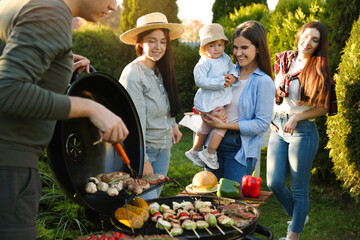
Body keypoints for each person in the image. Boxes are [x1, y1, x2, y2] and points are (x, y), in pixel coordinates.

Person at [0, 0, 129, 239]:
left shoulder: (30, 4)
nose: (113, 6)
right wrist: (91, 108)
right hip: (9, 171)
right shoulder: (50, 12)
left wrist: (56, 65)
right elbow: (8, 91)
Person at [266, 21, 337, 240]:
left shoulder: (319, 68)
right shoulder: (285, 59)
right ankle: (299, 215)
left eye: (314, 40)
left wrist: (297, 116)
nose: (308, 42)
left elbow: (324, 107)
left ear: (319, 44)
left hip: (302, 131)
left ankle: (292, 236)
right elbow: (276, 92)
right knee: (274, 183)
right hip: (278, 126)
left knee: (299, 188)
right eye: (306, 36)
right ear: (300, 35)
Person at [119, 12, 185, 199]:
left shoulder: (160, 68)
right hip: (143, 151)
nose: (159, 47)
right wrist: (143, 161)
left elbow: (166, 99)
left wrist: (173, 123)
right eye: (152, 41)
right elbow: (133, 122)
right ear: (140, 43)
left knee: (154, 201)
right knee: (145, 203)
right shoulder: (133, 74)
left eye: (163, 41)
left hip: (164, 147)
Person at [201, 20, 275, 184]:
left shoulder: (264, 82)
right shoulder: (227, 72)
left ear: (258, 48)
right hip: (213, 146)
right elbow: (208, 96)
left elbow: (262, 124)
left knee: (232, 204)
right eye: (235, 47)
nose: (238, 53)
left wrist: (224, 126)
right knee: (209, 199)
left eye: (244, 47)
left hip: (240, 148)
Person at [185, 23, 238, 170]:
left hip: (219, 98)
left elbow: (233, 68)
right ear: (203, 48)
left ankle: (196, 150)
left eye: (220, 45)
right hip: (210, 100)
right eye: (212, 45)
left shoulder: (225, 58)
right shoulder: (204, 63)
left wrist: (233, 77)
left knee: (206, 124)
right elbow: (200, 81)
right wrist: (221, 81)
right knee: (221, 122)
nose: (217, 49)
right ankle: (210, 152)